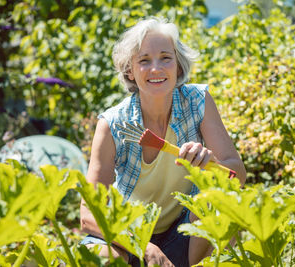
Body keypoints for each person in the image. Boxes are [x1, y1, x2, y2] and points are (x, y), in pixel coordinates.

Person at [80, 17, 246, 267]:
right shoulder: (113, 124)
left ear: (178, 66)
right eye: (144, 61)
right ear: (130, 71)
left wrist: (212, 166)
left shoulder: (198, 101)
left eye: (165, 58)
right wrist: (143, 246)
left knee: (222, 208)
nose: (156, 68)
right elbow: (87, 214)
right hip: (129, 240)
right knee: (98, 257)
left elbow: (238, 175)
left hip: (184, 236)